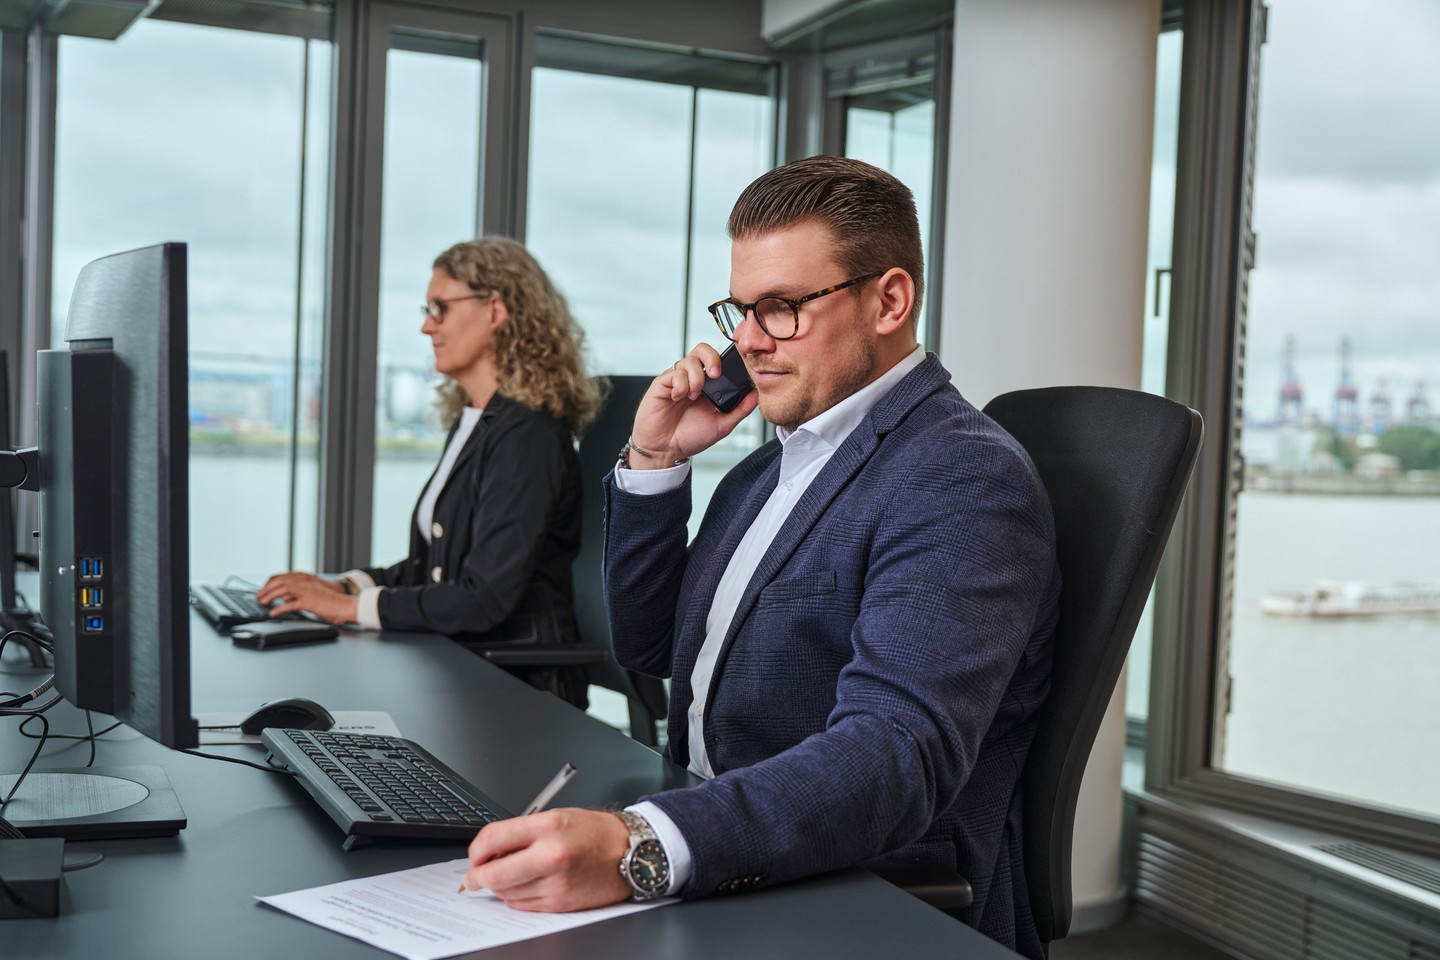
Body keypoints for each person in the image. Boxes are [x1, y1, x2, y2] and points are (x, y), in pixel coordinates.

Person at [459, 157, 1061, 958]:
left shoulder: (961, 478)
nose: (745, 339)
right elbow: (649, 648)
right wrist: (655, 460)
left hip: (852, 890)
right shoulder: (768, 467)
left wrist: (643, 844)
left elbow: (894, 752)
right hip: (723, 839)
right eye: (740, 309)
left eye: (780, 308)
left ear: (889, 301)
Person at [260, 238, 603, 704]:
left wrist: (347, 608)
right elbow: (437, 569)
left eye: (440, 308)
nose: (427, 326)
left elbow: (482, 598)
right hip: (462, 663)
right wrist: (346, 586)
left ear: (495, 310)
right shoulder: (479, 421)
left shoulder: (527, 435)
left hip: (514, 688)